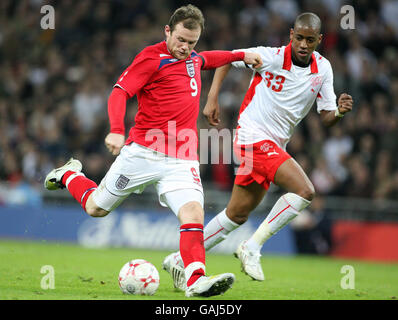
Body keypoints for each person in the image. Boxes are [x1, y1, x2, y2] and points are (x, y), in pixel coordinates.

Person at [44, 4, 262, 297]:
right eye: (181, 41)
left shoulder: (194, 58)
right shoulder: (150, 58)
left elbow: (209, 58)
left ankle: (195, 278)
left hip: (181, 159)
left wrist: (239, 56)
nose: (185, 48)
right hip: (142, 153)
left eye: (191, 43)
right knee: (96, 207)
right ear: (167, 31)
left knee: (193, 214)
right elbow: (120, 92)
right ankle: (70, 174)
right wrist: (116, 129)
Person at [163, 12, 353, 289]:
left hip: (274, 146)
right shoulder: (270, 56)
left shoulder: (323, 69)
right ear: (291, 35)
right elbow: (228, 58)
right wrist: (212, 98)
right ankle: (252, 247)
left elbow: (325, 116)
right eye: (298, 37)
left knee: (236, 214)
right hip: (251, 137)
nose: (303, 44)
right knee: (305, 191)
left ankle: (181, 258)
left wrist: (339, 112)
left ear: (319, 40)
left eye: (309, 40)